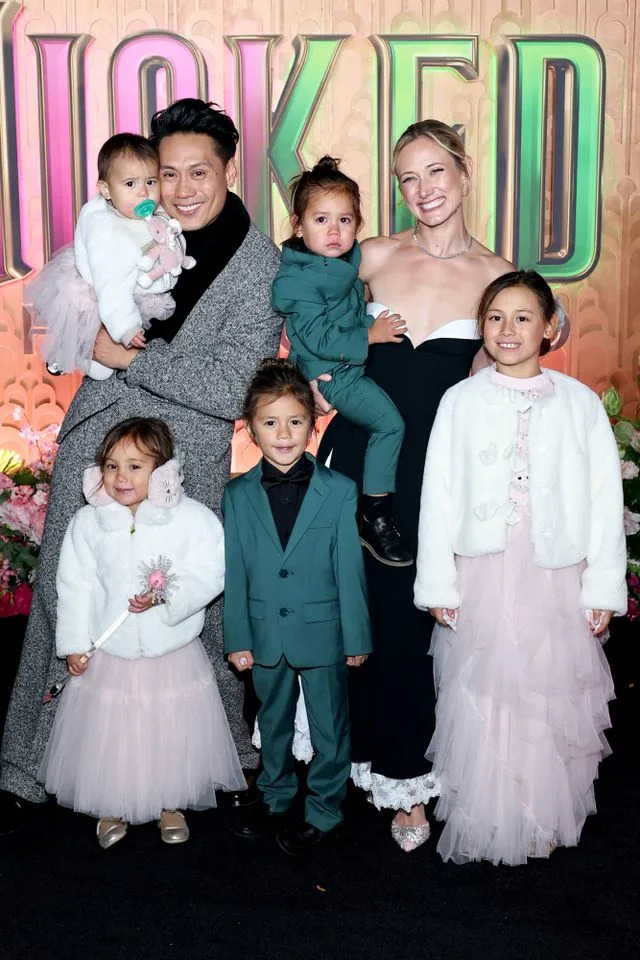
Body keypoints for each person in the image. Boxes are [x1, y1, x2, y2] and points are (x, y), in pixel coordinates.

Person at [0, 99, 282, 823]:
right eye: (167, 173)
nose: (182, 188)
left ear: (229, 169)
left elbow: (228, 389)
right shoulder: (118, 228)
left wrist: (131, 356)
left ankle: (204, 756)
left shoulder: (259, 265)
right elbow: (76, 324)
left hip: (187, 455)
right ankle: (37, 756)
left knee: (192, 605)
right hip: (99, 439)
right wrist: (106, 350)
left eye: (199, 171)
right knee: (73, 592)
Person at [318, 119, 514, 852]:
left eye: (435, 172)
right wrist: (327, 366)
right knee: (350, 620)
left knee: (413, 624)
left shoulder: (498, 274)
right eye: (407, 177)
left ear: (463, 173)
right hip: (358, 461)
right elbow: (302, 317)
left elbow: (503, 381)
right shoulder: (370, 255)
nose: (424, 190)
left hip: (438, 473)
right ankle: (342, 763)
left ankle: (407, 783)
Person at [415, 270, 626, 865]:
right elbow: (440, 492)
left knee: (546, 691)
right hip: (482, 569)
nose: (508, 330)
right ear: (482, 326)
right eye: (495, 317)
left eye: (523, 317)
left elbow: (604, 500)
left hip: (555, 571)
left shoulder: (579, 402)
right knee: (483, 688)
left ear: (550, 326)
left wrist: (603, 584)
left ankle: (539, 811)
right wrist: (437, 578)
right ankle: (488, 815)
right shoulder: (460, 400)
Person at [40, 417, 246, 848]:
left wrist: (168, 596)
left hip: (170, 655)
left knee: (167, 728)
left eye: (135, 466)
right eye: (112, 466)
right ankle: (112, 803)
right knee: (113, 732)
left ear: (162, 470)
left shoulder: (189, 518)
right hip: (109, 655)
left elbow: (212, 568)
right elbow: (74, 585)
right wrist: (75, 644)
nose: (121, 477)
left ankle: (169, 801)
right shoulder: (88, 523)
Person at [223, 359, 371, 855]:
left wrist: (356, 637)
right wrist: (238, 637)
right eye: (270, 422)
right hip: (265, 632)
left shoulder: (339, 490)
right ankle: (276, 793)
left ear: (313, 424)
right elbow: (235, 570)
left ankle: (325, 808)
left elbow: (349, 569)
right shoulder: (237, 494)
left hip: (324, 631)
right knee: (272, 720)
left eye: (295, 421)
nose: (283, 434)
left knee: (331, 726)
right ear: (251, 427)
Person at [272, 156, 412, 566]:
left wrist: (370, 317)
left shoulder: (342, 264)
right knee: (390, 424)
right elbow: (316, 335)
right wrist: (371, 333)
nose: (334, 231)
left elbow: (343, 314)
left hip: (343, 366)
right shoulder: (298, 277)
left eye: (345, 220)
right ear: (298, 224)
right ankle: (375, 511)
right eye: (321, 220)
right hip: (333, 374)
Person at [28, 133, 194, 380]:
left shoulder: (138, 211)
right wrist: (125, 327)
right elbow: (112, 287)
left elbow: (164, 233)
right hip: (104, 289)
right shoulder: (110, 235)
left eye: (150, 182)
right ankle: (69, 355)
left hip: (128, 280)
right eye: (130, 184)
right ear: (106, 190)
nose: (143, 193)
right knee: (100, 364)